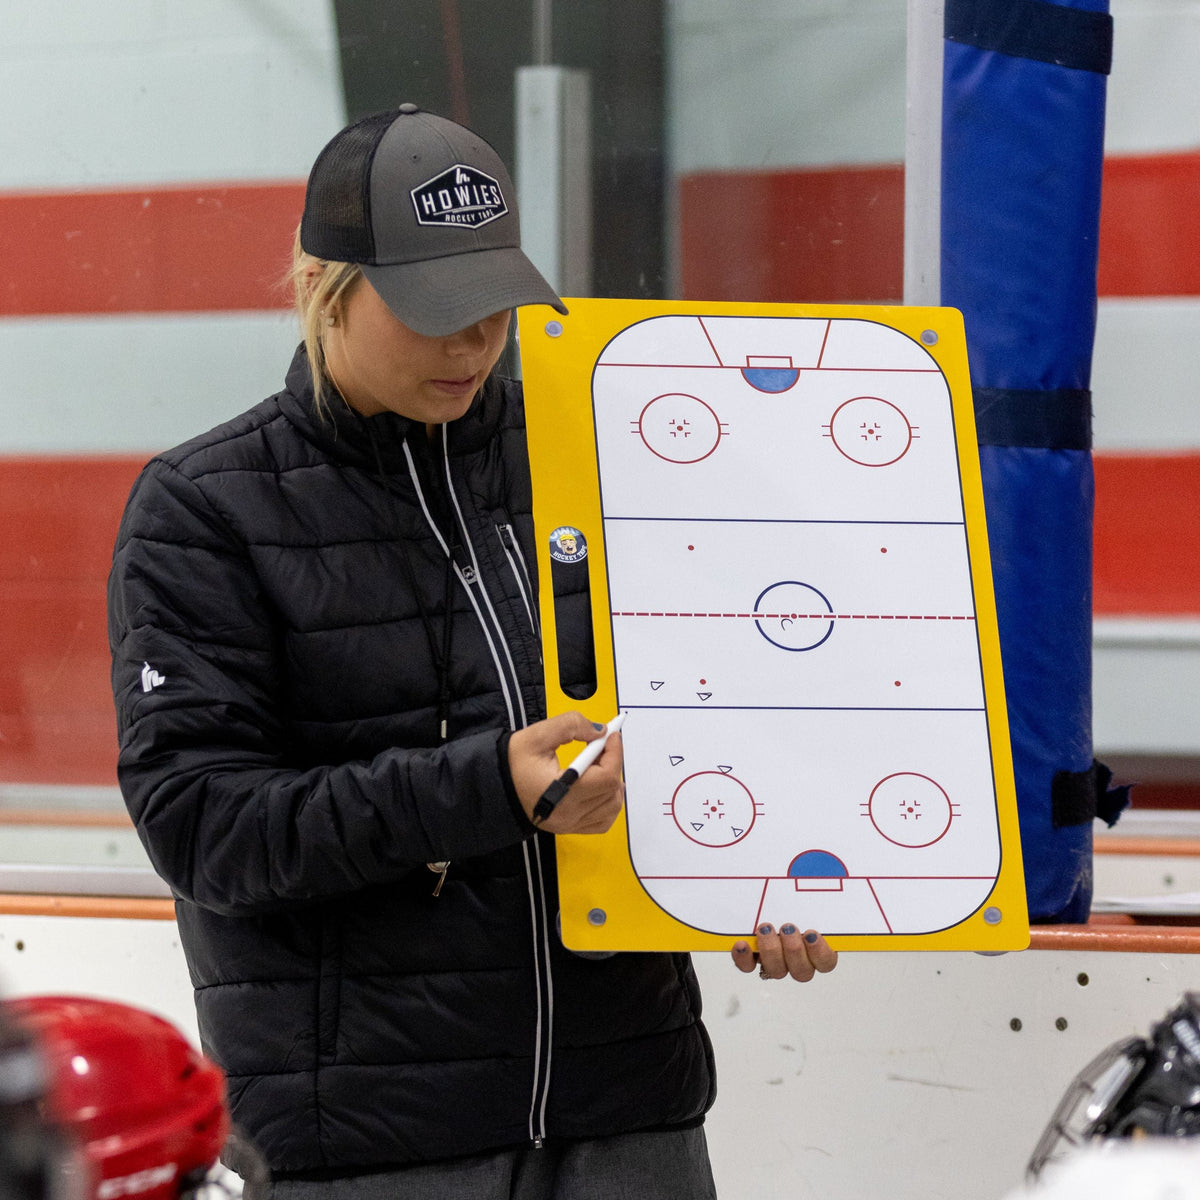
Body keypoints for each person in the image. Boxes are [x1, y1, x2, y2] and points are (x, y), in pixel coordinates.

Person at [107, 103, 838, 1199]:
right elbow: (207, 829)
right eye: (433, 308)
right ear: (324, 287)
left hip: (630, 1111)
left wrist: (757, 868)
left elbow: (711, 713)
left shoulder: (593, 459)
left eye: (494, 301)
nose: (475, 341)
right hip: (368, 1144)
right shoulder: (204, 510)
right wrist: (484, 787)